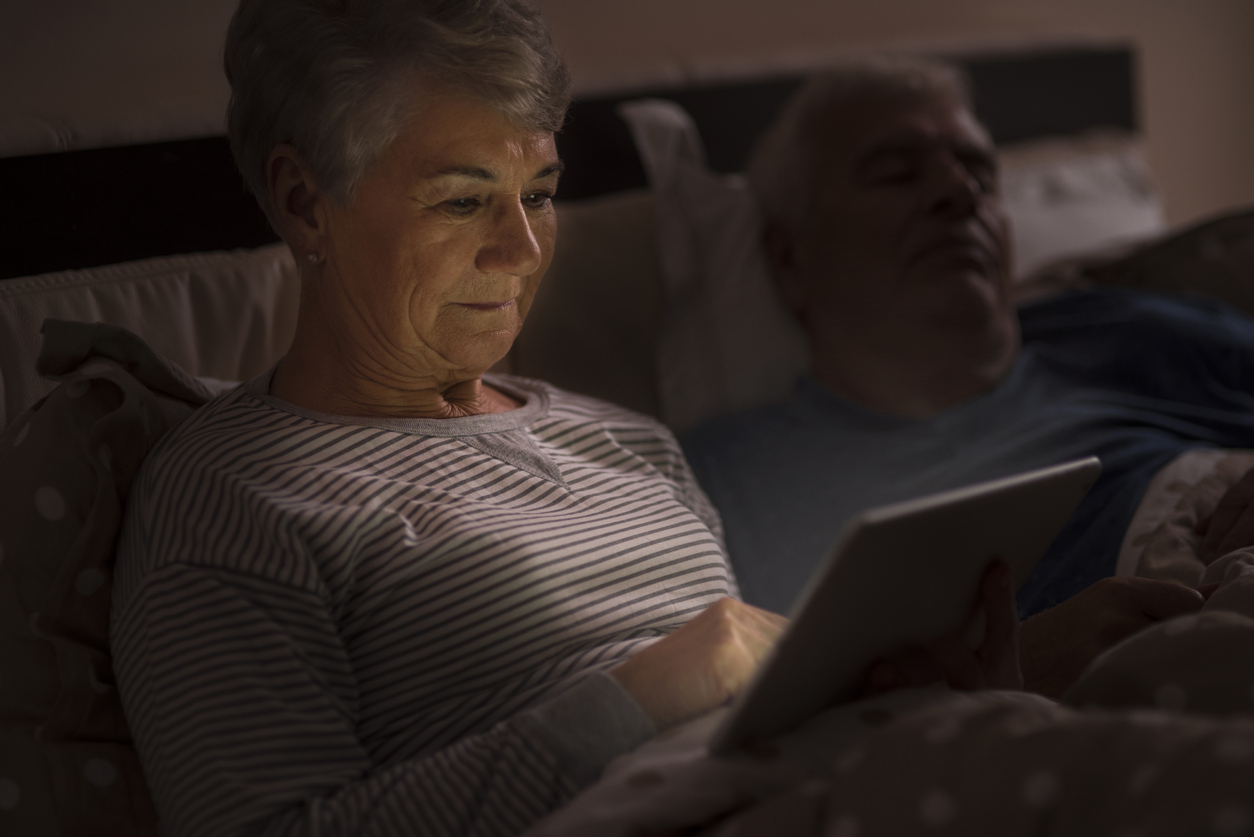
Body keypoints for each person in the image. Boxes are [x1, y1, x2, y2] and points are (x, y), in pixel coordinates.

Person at [108, 6, 1024, 836]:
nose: (524, 248)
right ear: (306, 201)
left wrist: (916, 686)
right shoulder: (234, 496)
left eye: (539, 193)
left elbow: (745, 716)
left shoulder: (627, 441)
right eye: (464, 200)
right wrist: (637, 697)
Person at [680, 57, 1254, 657]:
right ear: (789, 259)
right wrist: (1023, 663)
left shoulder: (1132, 332)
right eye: (897, 173)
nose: (958, 192)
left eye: (980, 172)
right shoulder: (720, 480)